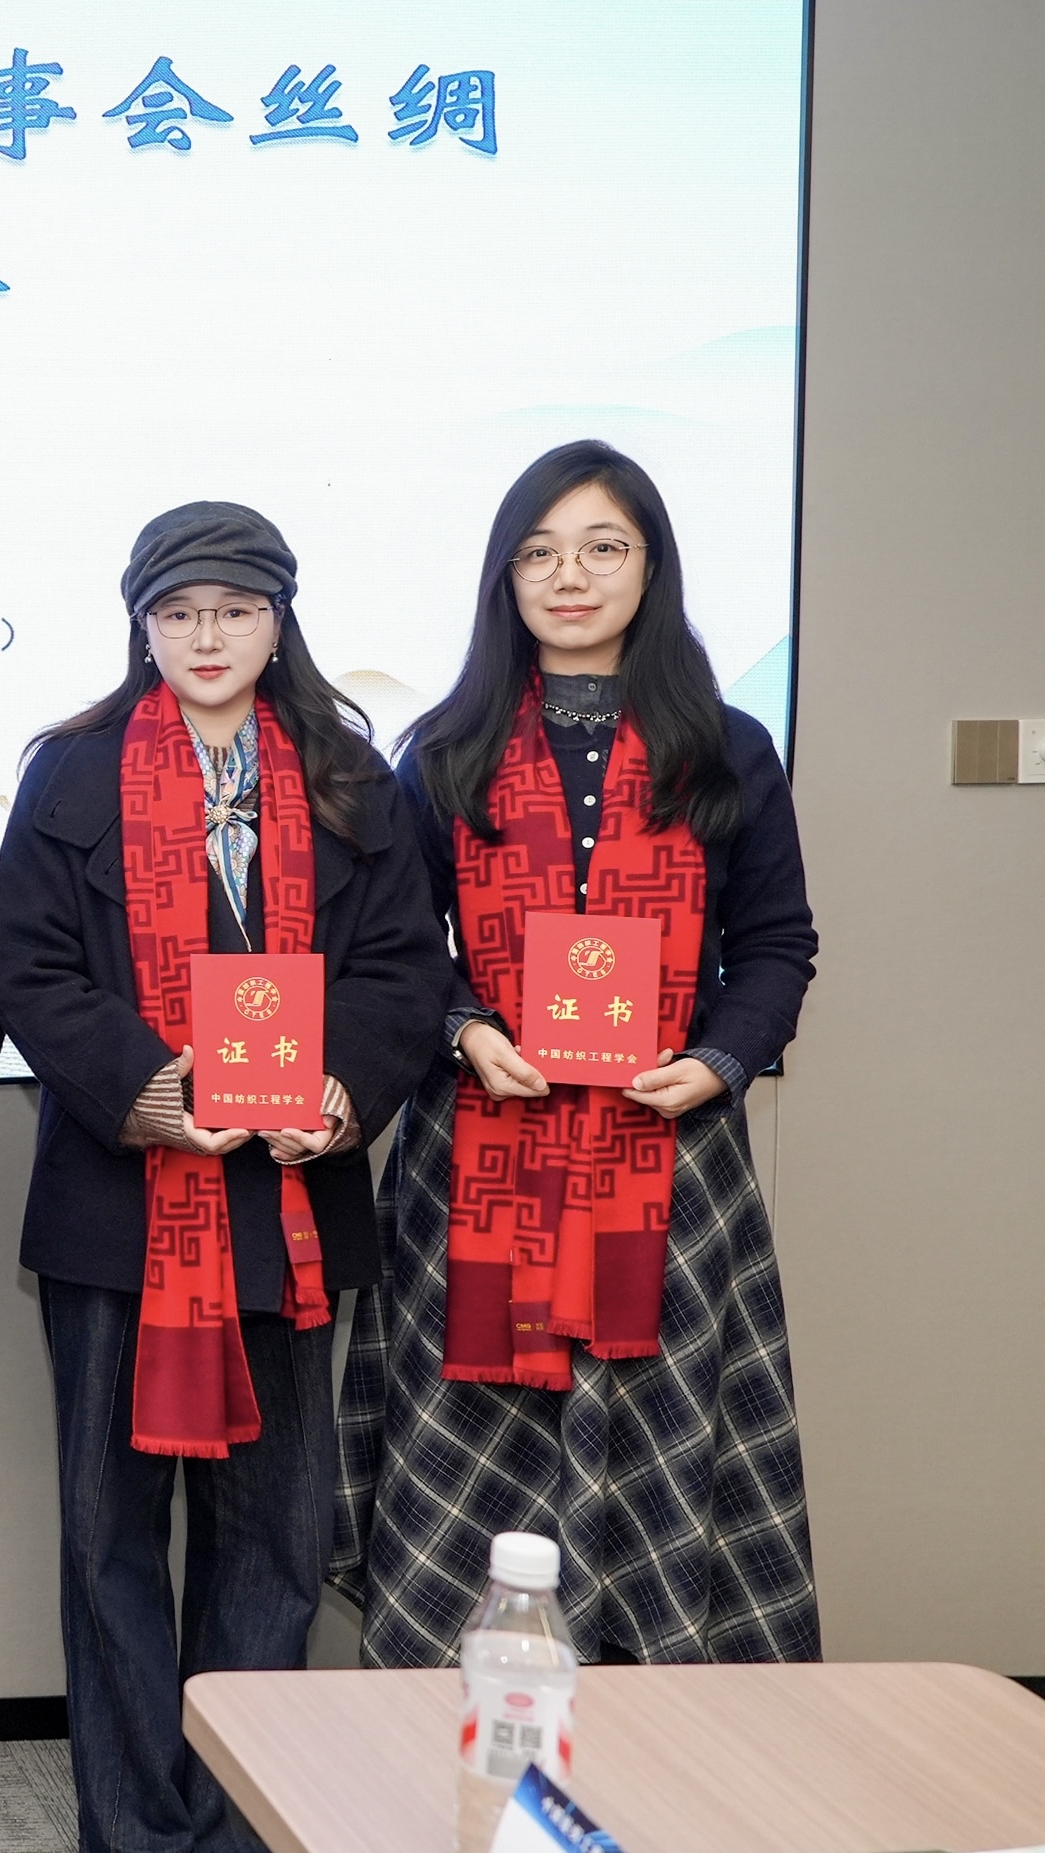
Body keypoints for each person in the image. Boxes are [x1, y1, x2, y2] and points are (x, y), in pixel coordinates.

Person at [0, 503, 443, 1852]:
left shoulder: (352, 777)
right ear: (142, 624)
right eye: (179, 612)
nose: (206, 636)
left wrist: (342, 1091)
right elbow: (26, 965)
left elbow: (406, 967)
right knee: (107, 1535)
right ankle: (133, 1825)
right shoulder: (69, 773)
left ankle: (239, 1822)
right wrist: (149, 1091)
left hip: (289, 1208)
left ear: (278, 622)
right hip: (118, 1210)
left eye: (235, 610)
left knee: (274, 1538)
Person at [333, 440, 820, 1666]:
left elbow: (778, 944)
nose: (570, 575)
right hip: (482, 1153)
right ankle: (460, 1726)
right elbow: (401, 947)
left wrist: (721, 1059)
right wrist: (466, 1028)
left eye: (603, 547)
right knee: (473, 1456)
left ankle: (657, 1731)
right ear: (505, 577)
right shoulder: (442, 749)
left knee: (662, 1443)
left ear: (651, 567)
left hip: (671, 1155)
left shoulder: (727, 748)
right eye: (539, 552)